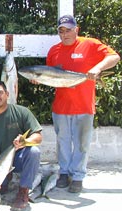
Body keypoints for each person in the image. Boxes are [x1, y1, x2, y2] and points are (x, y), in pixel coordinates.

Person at [45, 15, 120, 193]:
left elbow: (114, 57)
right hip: (61, 107)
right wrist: (38, 79)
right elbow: (50, 76)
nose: (65, 34)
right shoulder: (53, 51)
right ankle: (64, 173)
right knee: (62, 142)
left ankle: (77, 176)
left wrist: (97, 68)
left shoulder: (90, 44)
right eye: (61, 31)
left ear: (76, 29)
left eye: (69, 30)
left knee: (82, 144)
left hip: (84, 106)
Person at [0, 80, 43, 211]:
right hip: (0, 161)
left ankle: (23, 191)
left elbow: (38, 137)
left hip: (19, 158)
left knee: (34, 152)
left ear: (7, 94)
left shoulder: (22, 112)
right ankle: (5, 178)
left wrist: (25, 141)